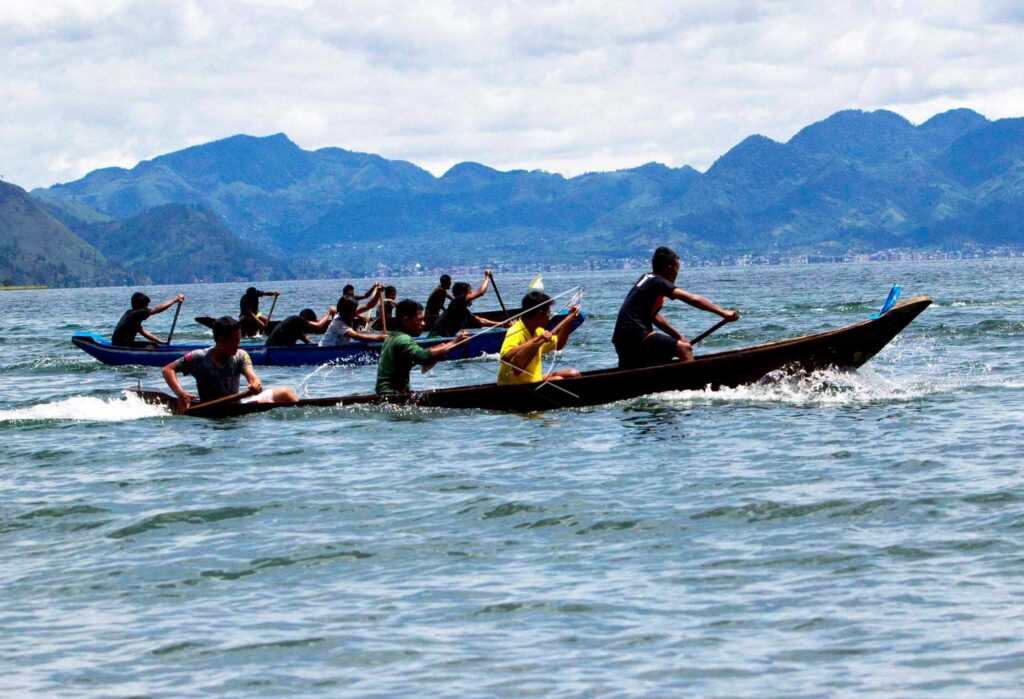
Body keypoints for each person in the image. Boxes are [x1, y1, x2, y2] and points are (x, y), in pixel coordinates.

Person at [612, 246, 739, 368]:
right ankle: (694, 387)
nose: (676, 275)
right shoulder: (658, 281)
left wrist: (678, 337)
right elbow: (691, 298)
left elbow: (654, 316)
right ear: (670, 268)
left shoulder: (646, 278)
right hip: (636, 335)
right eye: (676, 270)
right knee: (685, 349)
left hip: (621, 340)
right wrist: (723, 312)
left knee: (658, 360)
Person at [162, 316, 297, 413]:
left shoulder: (241, 355)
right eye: (235, 341)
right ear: (220, 340)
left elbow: (253, 377)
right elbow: (168, 370)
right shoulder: (198, 357)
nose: (238, 345)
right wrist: (181, 394)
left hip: (237, 406)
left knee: (287, 393)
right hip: (210, 409)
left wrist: (255, 384)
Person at [375, 299, 469, 395]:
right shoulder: (403, 339)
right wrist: (455, 342)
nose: (423, 323)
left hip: (384, 394)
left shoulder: (392, 337)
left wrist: (441, 347)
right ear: (406, 320)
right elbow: (423, 357)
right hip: (392, 395)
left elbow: (417, 355)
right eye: (419, 319)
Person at [498, 291, 582, 385]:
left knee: (573, 374)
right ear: (539, 314)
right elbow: (505, 357)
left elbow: (558, 345)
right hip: (514, 386)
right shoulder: (515, 331)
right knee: (558, 380)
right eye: (548, 314)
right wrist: (536, 340)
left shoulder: (539, 331)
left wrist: (568, 321)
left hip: (534, 378)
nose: (549, 318)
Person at [428, 271, 504, 338]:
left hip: (444, 338)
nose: (472, 296)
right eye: (470, 293)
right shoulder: (458, 301)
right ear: (464, 295)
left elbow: (481, 321)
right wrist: (487, 277)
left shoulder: (464, 311)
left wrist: (502, 324)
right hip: (436, 338)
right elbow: (480, 292)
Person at [112, 291, 184, 346]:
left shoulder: (131, 314)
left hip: (118, 343)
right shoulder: (137, 313)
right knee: (152, 346)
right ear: (141, 305)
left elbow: (143, 332)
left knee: (154, 344)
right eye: (146, 305)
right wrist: (175, 299)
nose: (147, 308)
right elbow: (157, 309)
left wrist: (159, 341)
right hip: (122, 345)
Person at [320, 296, 387, 346]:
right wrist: (378, 338)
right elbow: (356, 336)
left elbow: (368, 306)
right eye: (354, 311)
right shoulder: (338, 323)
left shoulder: (348, 314)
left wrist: (378, 294)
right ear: (346, 312)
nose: (356, 313)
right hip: (324, 350)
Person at [264, 307, 335, 346]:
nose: (309, 329)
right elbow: (318, 326)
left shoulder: (295, 329)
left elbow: (309, 342)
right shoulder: (297, 320)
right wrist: (329, 312)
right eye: (309, 327)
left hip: (271, 348)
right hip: (272, 349)